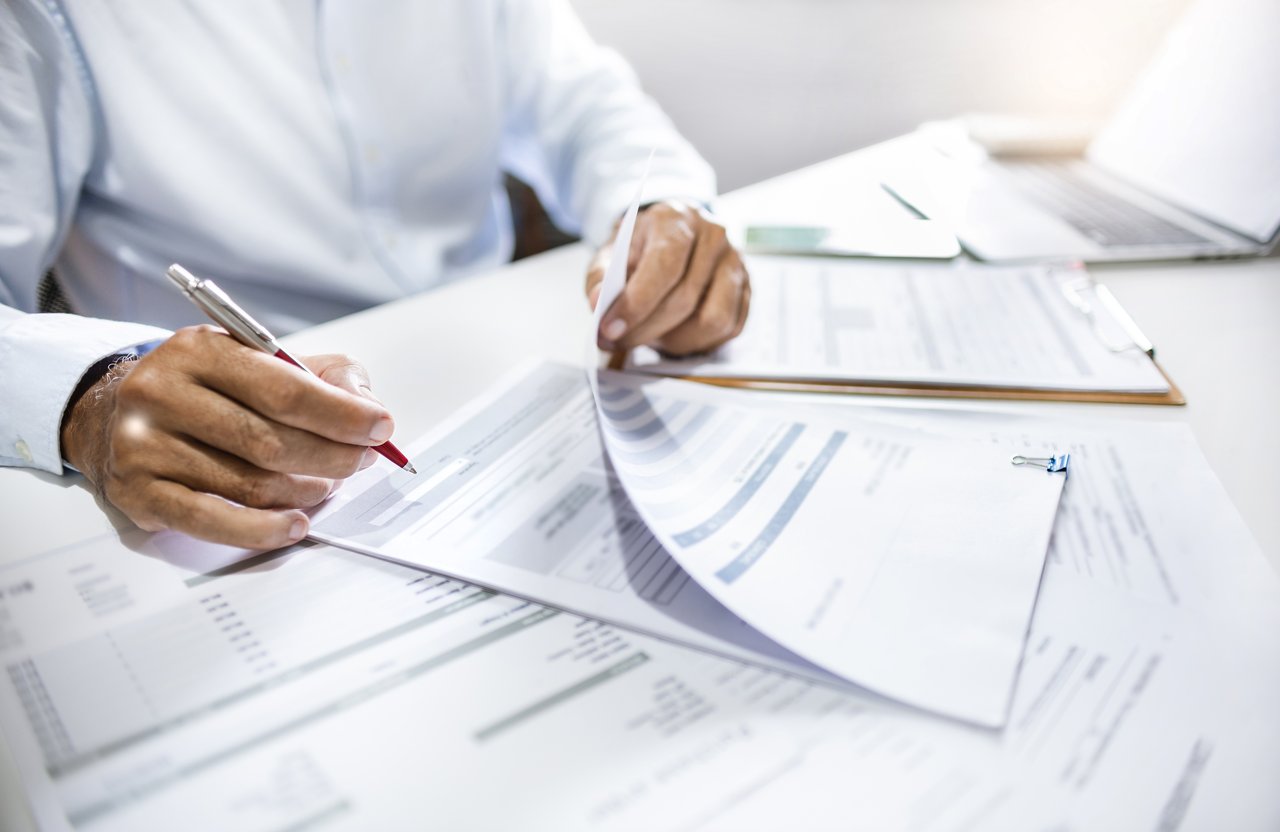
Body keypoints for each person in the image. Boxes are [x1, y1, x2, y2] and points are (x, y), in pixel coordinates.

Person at [0, 1, 750, 549]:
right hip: (222, 449)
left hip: (497, 378)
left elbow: (584, 103)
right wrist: (89, 399)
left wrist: (658, 207)